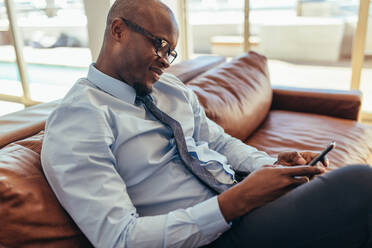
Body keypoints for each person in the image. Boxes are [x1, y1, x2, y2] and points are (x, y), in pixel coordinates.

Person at [41, 0, 372, 247]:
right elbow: (119, 238)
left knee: (340, 190)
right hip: (205, 238)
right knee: (358, 183)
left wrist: (269, 166)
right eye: (160, 45)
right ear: (118, 31)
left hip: (239, 208)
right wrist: (236, 202)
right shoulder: (78, 120)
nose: (165, 62)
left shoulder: (169, 88)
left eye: (170, 52)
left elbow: (219, 142)